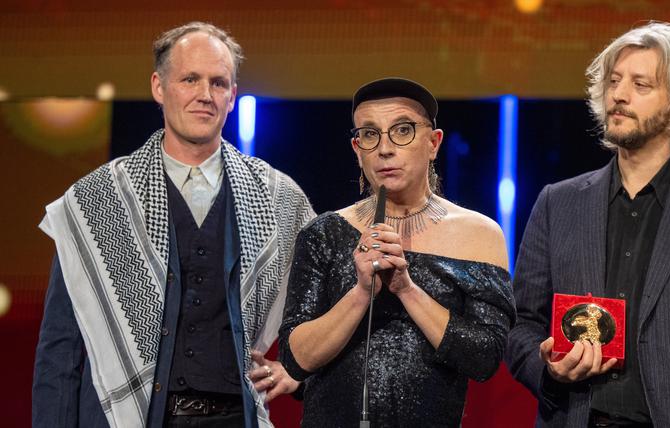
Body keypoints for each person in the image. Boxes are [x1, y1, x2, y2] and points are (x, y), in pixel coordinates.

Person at [32, 22, 315, 427]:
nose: (205, 95)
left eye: (218, 83)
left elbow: (318, 311)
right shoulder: (97, 201)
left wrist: (295, 370)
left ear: (232, 96)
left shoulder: (278, 198)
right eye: (189, 79)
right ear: (159, 87)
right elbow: (61, 350)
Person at [505, 22, 670, 426]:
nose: (619, 95)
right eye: (613, 81)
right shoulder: (558, 202)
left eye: (640, 85)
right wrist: (551, 372)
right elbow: (522, 326)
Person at [278, 77, 515, 427]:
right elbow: (296, 359)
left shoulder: (480, 235)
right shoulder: (324, 233)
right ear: (357, 150)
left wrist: (406, 289)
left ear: (434, 143)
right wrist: (360, 294)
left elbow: (484, 360)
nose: (385, 149)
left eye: (402, 130)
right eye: (370, 135)